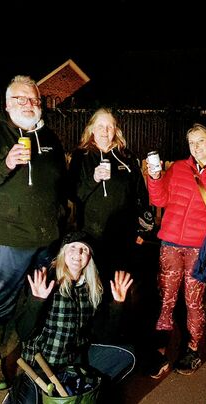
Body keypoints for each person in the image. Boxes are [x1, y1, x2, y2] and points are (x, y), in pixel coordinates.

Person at [0, 75, 68, 391]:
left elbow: (60, 183)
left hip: (44, 237)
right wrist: (6, 163)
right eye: (21, 99)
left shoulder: (49, 137)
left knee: (37, 298)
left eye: (34, 99)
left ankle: (33, 355)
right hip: (6, 238)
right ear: (8, 104)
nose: (29, 104)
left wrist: (61, 217)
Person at [145, 123, 206, 377]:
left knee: (193, 302)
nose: (195, 147)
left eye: (200, 141)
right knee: (166, 298)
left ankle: (192, 349)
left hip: (200, 248)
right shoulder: (177, 168)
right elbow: (159, 200)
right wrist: (154, 179)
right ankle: (160, 349)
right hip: (171, 244)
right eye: (191, 143)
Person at [4, 231, 136, 404]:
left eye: (84, 250)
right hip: (41, 366)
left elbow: (105, 336)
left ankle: (90, 391)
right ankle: (24, 391)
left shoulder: (93, 290)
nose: (78, 254)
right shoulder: (47, 282)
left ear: (89, 258)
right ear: (63, 252)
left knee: (126, 354)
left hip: (74, 365)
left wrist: (117, 306)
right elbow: (23, 333)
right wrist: (36, 302)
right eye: (72, 247)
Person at [67, 108, 154, 285]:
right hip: (90, 235)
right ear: (91, 128)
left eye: (109, 126)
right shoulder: (80, 156)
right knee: (92, 285)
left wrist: (143, 229)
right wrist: (94, 179)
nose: (105, 131)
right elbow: (72, 194)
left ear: (116, 130)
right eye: (100, 126)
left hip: (124, 236)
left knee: (120, 286)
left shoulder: (126, 157)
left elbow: (140, 195)